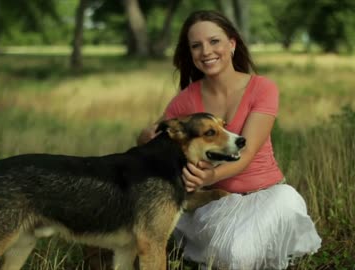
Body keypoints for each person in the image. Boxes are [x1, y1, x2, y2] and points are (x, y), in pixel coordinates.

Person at [137, 10, 321, 269]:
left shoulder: (263, 88)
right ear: (190, 54)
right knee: (228, 252)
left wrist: (210, 176)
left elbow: (244, 154)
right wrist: (146, 136)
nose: (206, 51)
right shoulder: (186, 101)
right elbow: (154, 139)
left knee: (237, 254)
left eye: (214, 41)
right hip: (215, 203)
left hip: (267, 196)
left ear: (232, 44)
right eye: (196, 46)